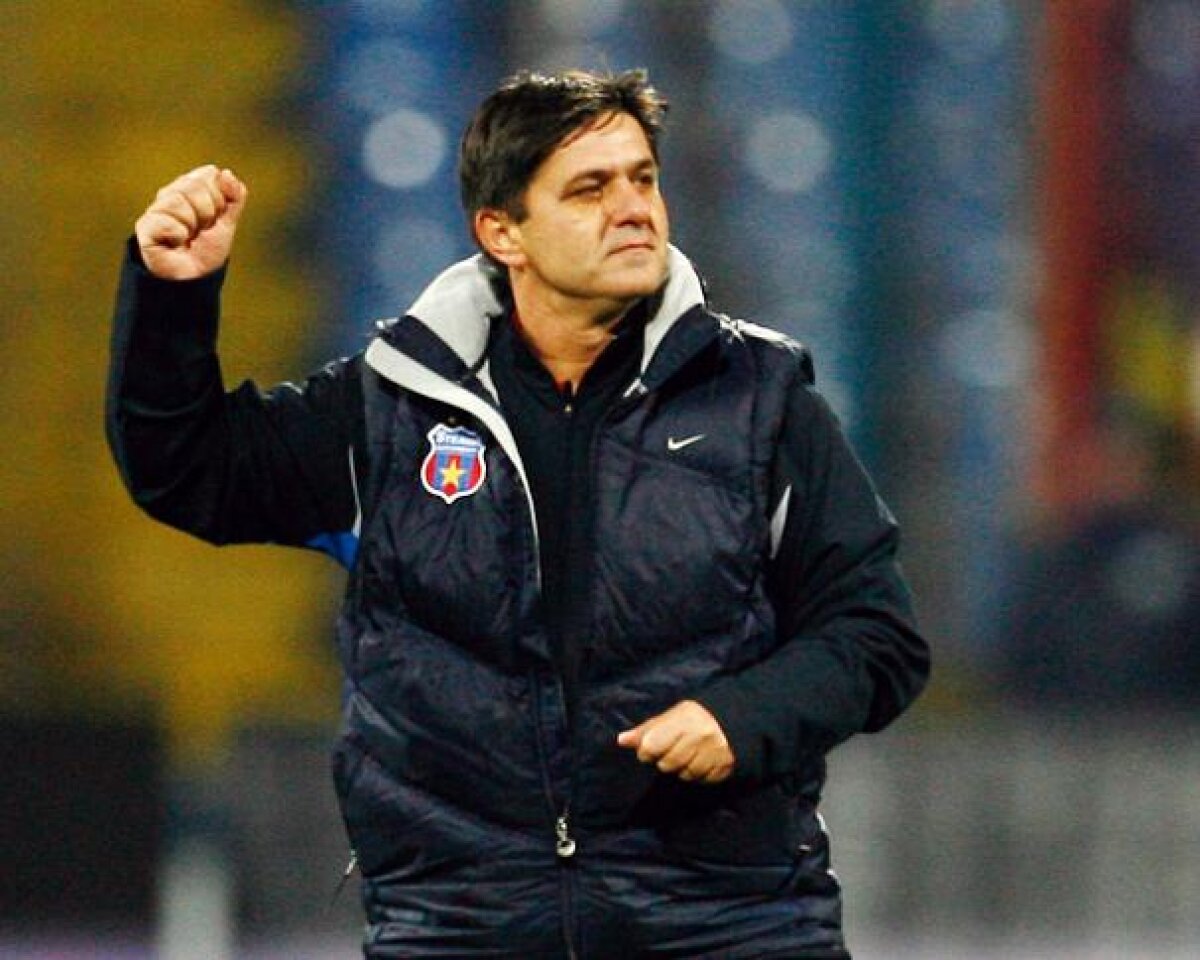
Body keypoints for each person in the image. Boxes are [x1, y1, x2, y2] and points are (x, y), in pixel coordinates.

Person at [108, 69, 929, 959]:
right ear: (503, 232)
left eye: (643, 179)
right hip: (461, 926)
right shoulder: (390, 408)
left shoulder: (762, 402)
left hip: (725, 923)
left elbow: (876, 636)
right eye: (590, 189)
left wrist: (746, 716)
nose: (634, 209)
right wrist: (172, 301)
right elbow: (189, 472)